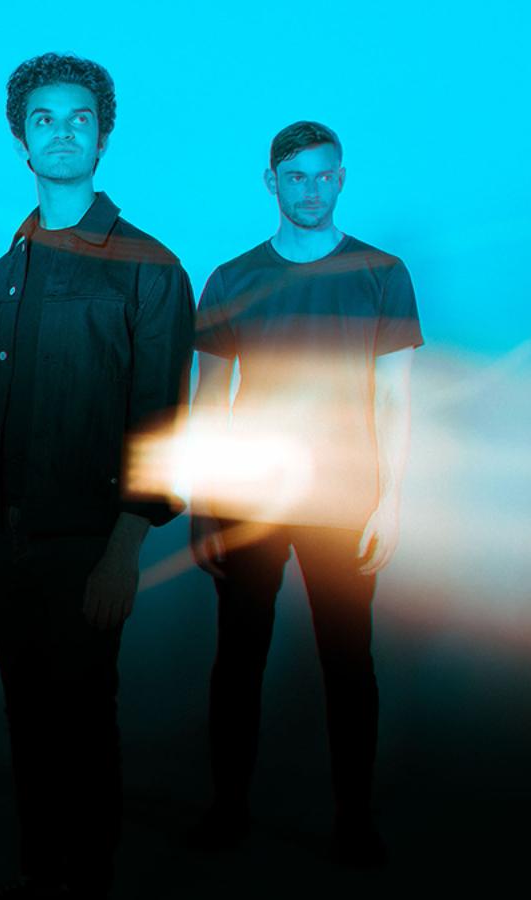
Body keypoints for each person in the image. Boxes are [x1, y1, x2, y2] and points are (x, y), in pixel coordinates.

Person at [0, 53, 193, 899]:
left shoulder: (150, 266)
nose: (62, 132)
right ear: (20, 141)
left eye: (79, 118)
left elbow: (161, 424)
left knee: (80, 715)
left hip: (87, 543)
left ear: (102, 135)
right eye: (44, 119)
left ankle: (90, 874)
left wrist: (124, 550)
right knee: (27, 713)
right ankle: (43, 866)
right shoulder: (4, 273)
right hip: (0, 535)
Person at [187, 121, 421, 866]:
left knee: (349, 663)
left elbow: (394, 400)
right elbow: (209, 402)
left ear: (342, 179)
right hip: (248, 497)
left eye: (324, 176)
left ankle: (354, 820)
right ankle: (228, 809)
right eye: (296, 177)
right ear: (271, 183)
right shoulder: (231, 278)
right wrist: (200, 501)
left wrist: (389, 500)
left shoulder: (382, 272)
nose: (311, 189)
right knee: (238, 659)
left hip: (344, 498)